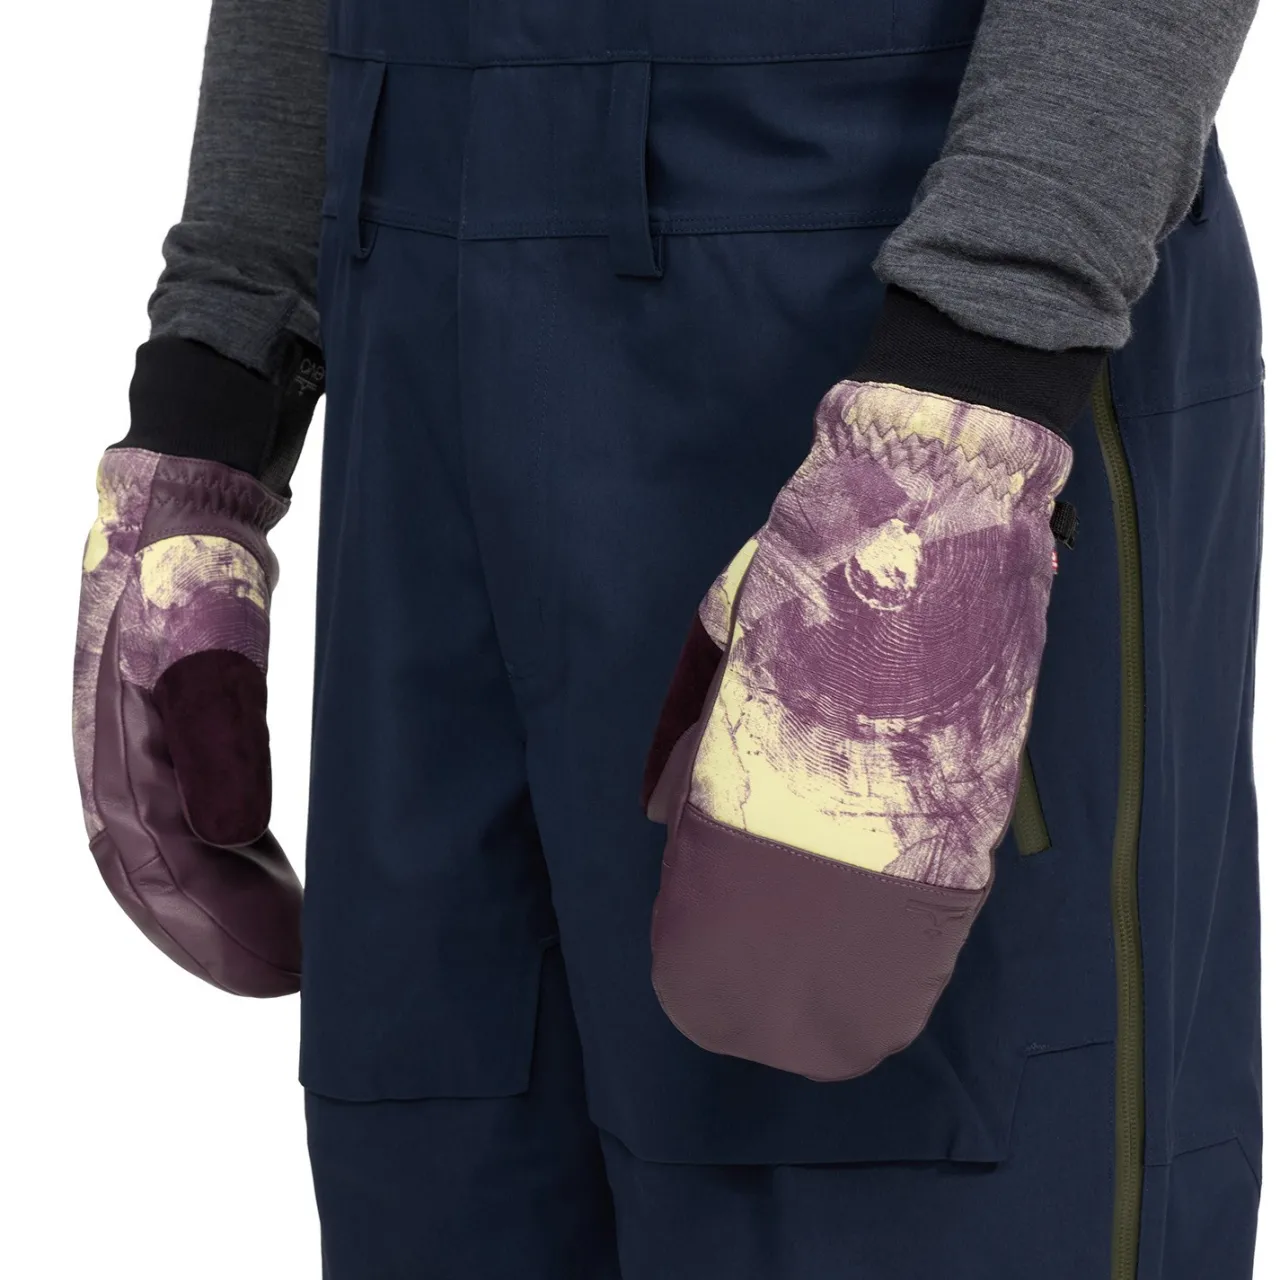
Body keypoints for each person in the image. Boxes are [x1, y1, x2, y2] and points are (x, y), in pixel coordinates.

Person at [73, 0, 1265, 1276]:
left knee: (871, 1170)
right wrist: (215, 379)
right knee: (440, 1178)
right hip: (412, 309)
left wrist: (969, 390)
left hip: (879, 293)